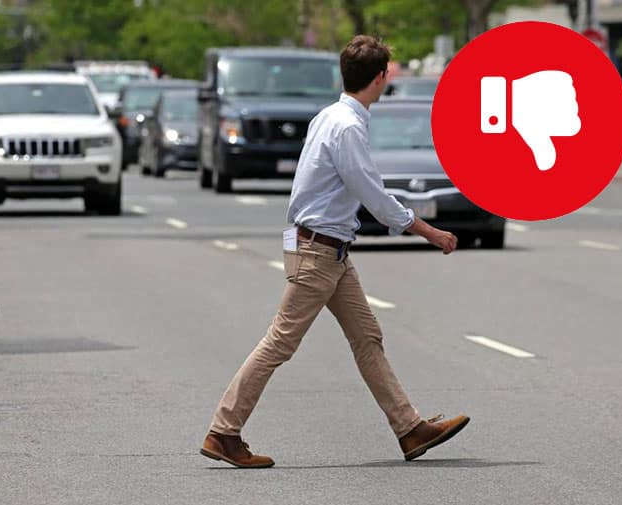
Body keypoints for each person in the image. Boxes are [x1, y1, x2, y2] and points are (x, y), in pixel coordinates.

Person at [200, 35, 469, 469]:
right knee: (279, 343)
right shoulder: (346, 127)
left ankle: (409, 428)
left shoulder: (330, 116)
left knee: (367, 338)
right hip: (319, 251)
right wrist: (429, 231)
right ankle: (224, 431)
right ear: (380, 78)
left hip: (327, 248)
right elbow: (374, 197)